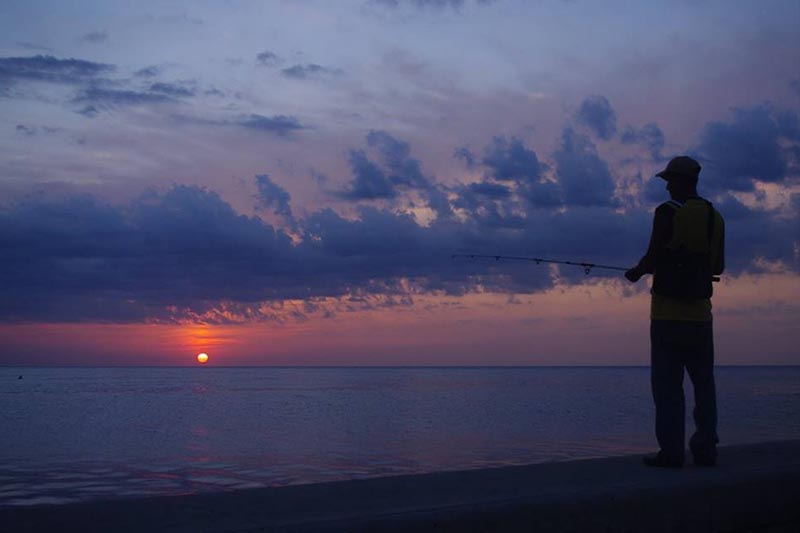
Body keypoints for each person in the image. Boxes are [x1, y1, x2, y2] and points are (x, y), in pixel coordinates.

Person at [625, 155, 725, 468]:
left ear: (683, 181)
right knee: (704, 385)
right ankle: (706, 449)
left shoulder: (667, 212)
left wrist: (637, 272)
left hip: (667, 315)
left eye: (670, 180)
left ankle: (671, 452)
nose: (667, 186)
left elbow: (653, 256)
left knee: (668, 388)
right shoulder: (714, 215)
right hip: (701, 317)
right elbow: (718, 266)